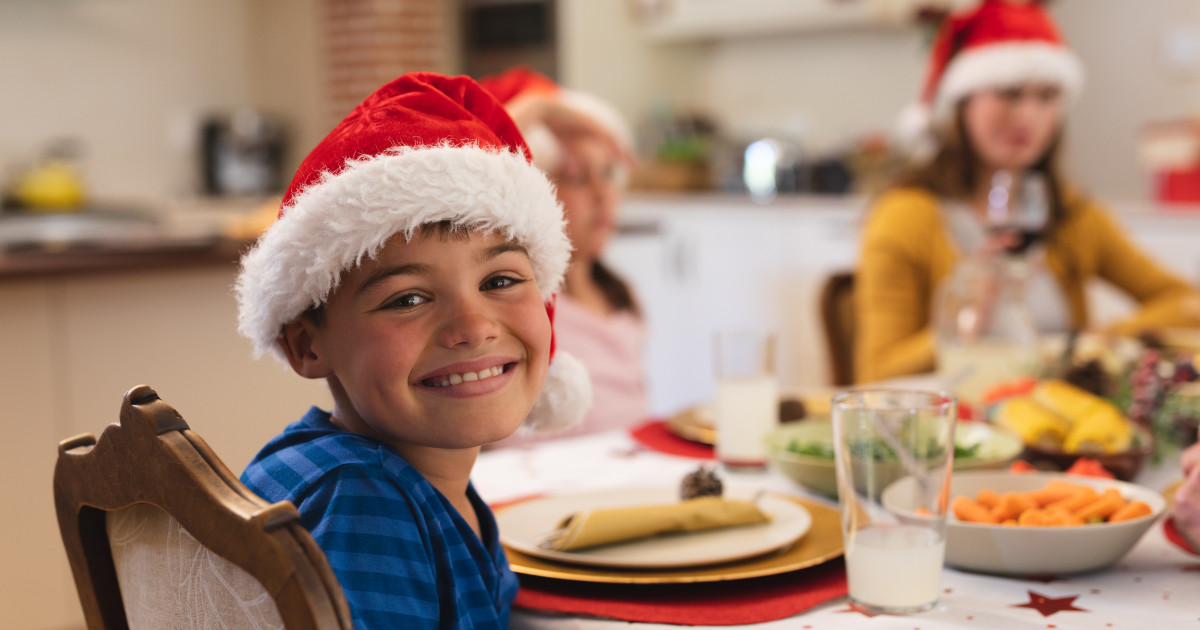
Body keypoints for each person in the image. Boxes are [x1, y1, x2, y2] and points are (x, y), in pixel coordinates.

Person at [234, 72, 592, 628]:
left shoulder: (373, 471)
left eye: (499, 281)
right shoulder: (365, 503)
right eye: (408, 298)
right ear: (307, 345)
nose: (472, 328)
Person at [855, 0, 1200, 384]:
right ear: (963, 101)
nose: (1027, 115)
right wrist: (968, 316)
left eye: (1047, 96)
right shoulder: (906, 216)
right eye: (1009, 92)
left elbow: (1186, 302)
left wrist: (1101, 336)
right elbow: (876, 371)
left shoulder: (1072, 212)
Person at [481, 67, 649, 446]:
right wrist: (540, 108)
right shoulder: (518, 302)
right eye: (577, 177)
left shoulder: (623, 297)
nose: (603, 195)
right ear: (535, 188)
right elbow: (479, 166)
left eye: (609, 174)